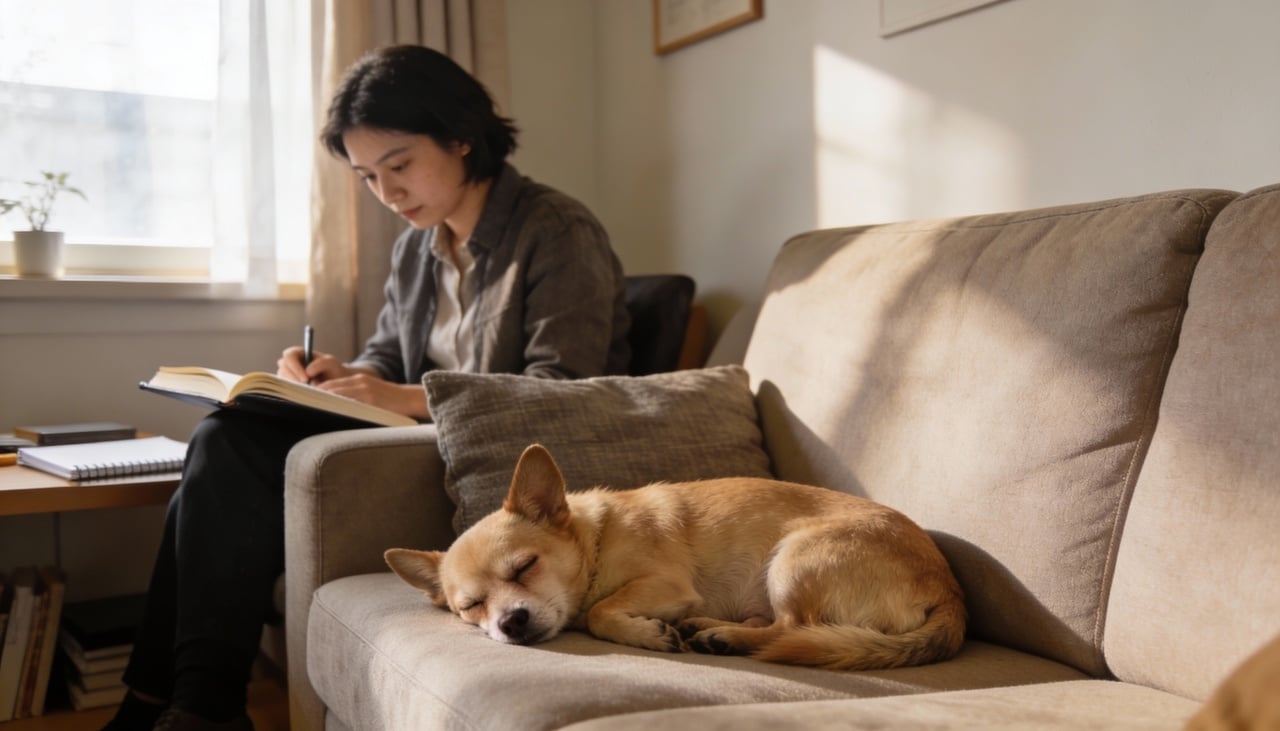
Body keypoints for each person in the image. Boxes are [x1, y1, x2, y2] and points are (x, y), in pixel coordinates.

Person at [105, 44, 629, 731]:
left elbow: (562, 391)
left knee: (229, 448)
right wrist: (329, 378)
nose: (386, 193)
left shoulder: (556, 230)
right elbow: (386, 356)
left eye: (400, 165)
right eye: (366, 178)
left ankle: (189, 704)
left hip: (501, 475)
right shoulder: (417, 247)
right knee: (226, 434)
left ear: (462, 137)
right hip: (418, 442)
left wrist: (405, 398)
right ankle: (181, 701)